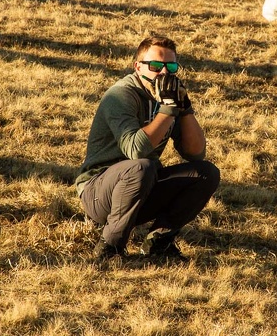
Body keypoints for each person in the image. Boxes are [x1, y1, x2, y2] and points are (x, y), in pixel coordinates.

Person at [75, 35, 220, 262]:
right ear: (137, 67)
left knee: (206, 173)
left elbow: (195, 152)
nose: (163, 73)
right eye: (155, 66)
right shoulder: (121, 95)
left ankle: (159, 243)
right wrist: (167, 110)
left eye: (171, 66)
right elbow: (136, 150)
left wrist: (185, 109)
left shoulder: (168, 97)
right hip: (98, 193)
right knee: (141, 166)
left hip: (141, 188)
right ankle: (110, 248)